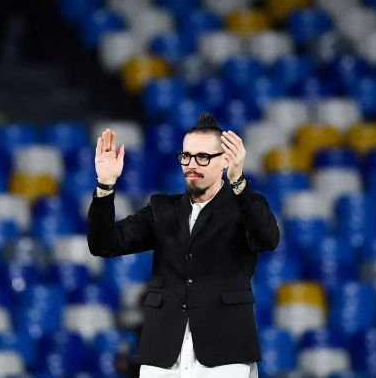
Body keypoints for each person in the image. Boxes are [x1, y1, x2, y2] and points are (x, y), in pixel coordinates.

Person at [87, 113, 280, 378]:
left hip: (225, 351)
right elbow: (103, 244)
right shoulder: (161, 208)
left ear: (225, 160)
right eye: (186, 156)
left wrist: (239, 182)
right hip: (162, 352)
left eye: (202, 157)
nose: (191, 164)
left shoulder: (244, 206)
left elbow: (268, 238)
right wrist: (105, 186)